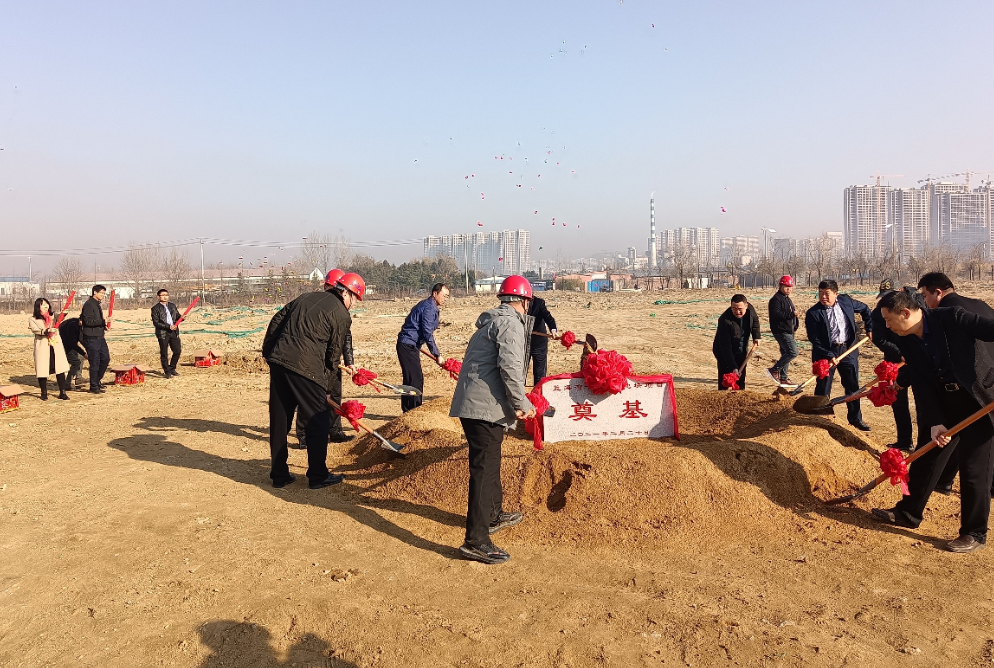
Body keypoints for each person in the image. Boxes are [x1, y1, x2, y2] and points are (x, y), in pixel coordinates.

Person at [872, 290, 994, 553]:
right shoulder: (905, 339)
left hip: (977, 401)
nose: (887, 326)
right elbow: (921, 381)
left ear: (905, 313)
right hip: (944, 401)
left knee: (974, 468)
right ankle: (908, 513)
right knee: (927, 457)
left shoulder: (953, 318)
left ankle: (974, 533)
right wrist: (935, 421)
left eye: (888, 319)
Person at [450, 275, 536, 565]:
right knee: (483, 472)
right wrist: (522, 403)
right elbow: (510, 368)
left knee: (490, 464)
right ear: (524, 301)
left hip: (481, 405)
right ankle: (475, 541)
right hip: (482, 408)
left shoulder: (493, 321)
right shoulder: (510, 324)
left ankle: (493, 515)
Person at [262, 271, 364, 490]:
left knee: (280, 421)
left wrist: (270, 353)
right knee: (318, 420)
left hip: (279, 362)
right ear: (346, 293)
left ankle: (279, 475)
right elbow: (333, 357)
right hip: (307, 369)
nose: (354, 304)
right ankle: (318, 475)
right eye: (355, 299)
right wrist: (327, 389)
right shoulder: (341, 314)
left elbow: (277, 320)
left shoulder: (306, 297)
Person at [917, 272, 994, 495]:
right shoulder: (980, 304)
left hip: (966, 387)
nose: (925, 302)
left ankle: (938, 486)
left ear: (938, 292)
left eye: (925, 296)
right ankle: (945, 481)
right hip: (988, 384)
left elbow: (942, 357)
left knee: (955, 442)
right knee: (972, 440)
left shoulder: (946, 315)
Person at [295, 270, 355, 448]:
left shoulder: (341, 310)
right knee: (310, 396)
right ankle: (304, 435)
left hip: (332, 359)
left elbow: (346, 336)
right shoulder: (316, 304)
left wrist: (349, 361)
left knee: (334, 394)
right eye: (328, 286)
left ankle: (334, 431)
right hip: (313, 359)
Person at [804, 280, 872, 431]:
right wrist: (829, 355)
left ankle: (855, 419)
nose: (823, 297)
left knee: (852, 386)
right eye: (820, 293)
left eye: (827, 293)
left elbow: (866, 309)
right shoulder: (813, 313)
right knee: (823, 386)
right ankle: (821, 418)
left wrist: (870, 328)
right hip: (826, 352)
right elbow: (814, 339)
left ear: (836, 294)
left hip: (848, 349)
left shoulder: (846, 302)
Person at [870, 279, 919, 451]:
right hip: (895, 362)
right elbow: (879, 339)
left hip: (917, 358)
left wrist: (913, 353)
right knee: (898, 402)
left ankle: (925, 443)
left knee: (923, 400)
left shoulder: (911, 306)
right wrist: (900, 353)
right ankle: (905, 441)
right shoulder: (878, 313)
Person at [396, 282, 448, 413]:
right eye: (443, 295)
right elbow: (427, 333)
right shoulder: (429, 308)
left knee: (410, 379)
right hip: (407, 345)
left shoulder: (429, 305)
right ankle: (415, 411)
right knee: (415, 379)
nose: (445, 299)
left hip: (410, 344)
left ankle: (407, 410)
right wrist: (437, 354)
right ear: (435, 293)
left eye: (447, 296)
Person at [713, 294, 760, 390]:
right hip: (724, 353)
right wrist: (733, 367)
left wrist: (756, 336)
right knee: (725, 380)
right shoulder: (724, 320)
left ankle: (740, 394)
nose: (737, 312)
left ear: (746, 306)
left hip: (741, 350)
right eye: (734, 308)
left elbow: (755, 321)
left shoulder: (750, 310)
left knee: (740, 379)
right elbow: (725, 347)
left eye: (740, 309)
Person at [28, 298, 71, 401]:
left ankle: (62, 392)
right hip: (43, 346)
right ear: (38, 307)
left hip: (55, 345)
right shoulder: (33, 319)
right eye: (43, 305)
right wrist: (47, 331)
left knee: (60, 369)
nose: (46, 306)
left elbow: (60, 318)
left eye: (47, 304)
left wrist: (64, 313)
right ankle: (44, 393)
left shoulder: (53, 316)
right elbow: (35, 330)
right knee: (42, 370)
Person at [79, 285, 111, 394]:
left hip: (100, 337)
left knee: (105, 359)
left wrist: (104, 326)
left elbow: (96, 321)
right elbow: (87, 322)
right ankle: (94, 386)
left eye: (104, 293)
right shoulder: (89, 304)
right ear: (94, 292)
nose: (103, 295)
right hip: (91, 338)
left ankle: (97, 380)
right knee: (94, 362)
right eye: (101, 293)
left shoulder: (97, 304)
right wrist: (103, 321)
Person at [767, 275, 799, 384]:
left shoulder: (787, 299)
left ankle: (783, 378)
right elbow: (776, 315)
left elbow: (792, 314)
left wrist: (795, 325)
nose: (788, 289)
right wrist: (791, 315)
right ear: (780, 286)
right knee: (793, 352)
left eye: (790, 287)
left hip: (789, 330)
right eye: (786, 287)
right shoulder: (776, 300)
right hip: (781, 331)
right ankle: (775, 370)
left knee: (786, 353)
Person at [527, 293, 557, 386]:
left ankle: (538, 391)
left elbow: (548, 317)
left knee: (539, 373)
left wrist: (553, 329)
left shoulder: (539, 303)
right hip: (522, 343)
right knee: (520, 371)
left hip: (539, 343)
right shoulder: (516, 303)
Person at [151, 289, 182, 378]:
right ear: (158, 297)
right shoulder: (155, 308)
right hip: (163, 333)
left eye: (166, 295)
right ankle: (167, 371)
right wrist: (168, 326)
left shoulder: (172, 306)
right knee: (164, 353)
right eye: (163, 295)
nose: (165, 297)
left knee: (177, 351)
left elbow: (177, 316)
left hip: (174, 332)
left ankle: (172, 368)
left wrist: (182, 318)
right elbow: (156, 323)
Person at [58, 315, 87, 391]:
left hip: (69, 343)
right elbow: (72, 343)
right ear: (80, 321)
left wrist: (89, 350)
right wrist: (84, 353)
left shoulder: (79, 325)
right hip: (63, 345)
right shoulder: (72, 326)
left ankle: (78, 378)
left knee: (80, 357)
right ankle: (67, 383)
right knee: (76, 362)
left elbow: (81, 339)